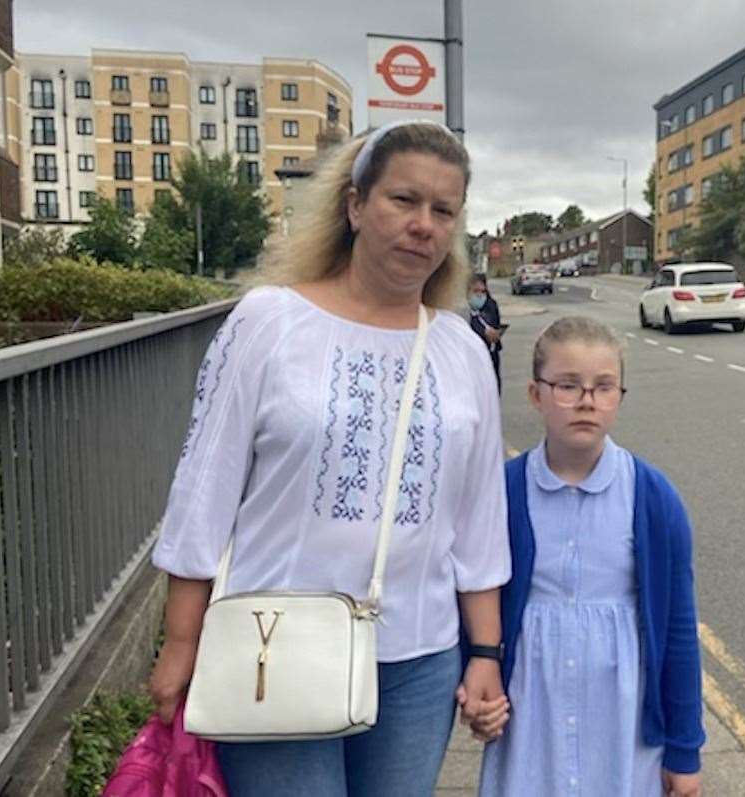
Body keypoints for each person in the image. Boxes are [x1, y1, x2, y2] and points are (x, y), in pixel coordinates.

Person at [148, 120, 511, 797]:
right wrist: (181, 642)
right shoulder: (269, 322)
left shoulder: (462, 349)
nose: (423, 225)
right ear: (354, 205)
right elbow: (204, 493)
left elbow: (479, 520)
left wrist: (484, 651)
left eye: (443, 211)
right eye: (403, 200)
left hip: (420, 658)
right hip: (274, 646)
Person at [472, 316, 706, 797]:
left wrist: (684, 751)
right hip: (531, 713)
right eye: (567, 385)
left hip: (621, 720)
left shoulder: (653, 498)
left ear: (619, 396)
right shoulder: (504, 492)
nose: (586, 401)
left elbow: (678, 630)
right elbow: (477, 597)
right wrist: (475, 679)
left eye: (604, 387)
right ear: (536, 394)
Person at [466, 273, 503, 392]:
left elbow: (496, 324)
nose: (480, 295)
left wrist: (496, 336)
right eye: (476, 291)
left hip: (491, 355)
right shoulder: (462, 313)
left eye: (483, 291)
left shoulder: (490, 306)